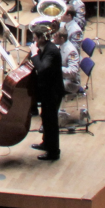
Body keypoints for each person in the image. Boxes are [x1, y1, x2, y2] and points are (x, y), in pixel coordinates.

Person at [30, 22, 64, 160]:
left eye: (35, 38)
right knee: (46, 118)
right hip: (47, 91)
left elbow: (42, 69)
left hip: (53, 92)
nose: (34, 41)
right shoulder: (44, 47)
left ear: (41, 38)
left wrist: (34, 55)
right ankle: (46, 143)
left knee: (51, 122)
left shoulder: (51, 50)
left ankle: (53, 152)